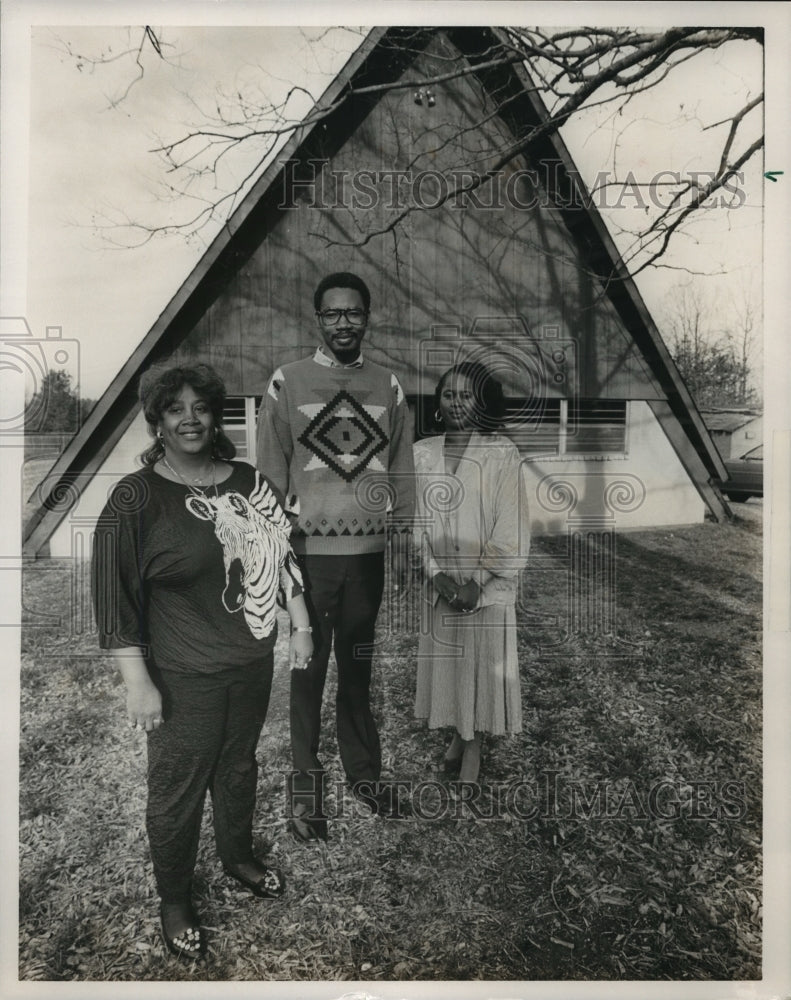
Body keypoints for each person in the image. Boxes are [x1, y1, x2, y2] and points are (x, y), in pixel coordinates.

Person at [91, 363, 313, 962]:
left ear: (216, 415)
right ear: (156, 420)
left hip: (250, 662)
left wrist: (301, 624)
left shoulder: (246, 479)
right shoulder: (134, 497)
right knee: (178, 787)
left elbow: (283, 552)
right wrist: (137, 681)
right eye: (174, 408)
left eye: (200, 407)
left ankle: (238, 856)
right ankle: (175, 899)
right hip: (183, 674)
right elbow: (114, 598)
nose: (189, 418)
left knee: (238, 767)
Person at [256, 271, 415, 840]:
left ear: (368, 317)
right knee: (306, 673)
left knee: (357, 670)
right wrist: (275, 559)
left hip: (367, 558)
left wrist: (399, 548)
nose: (343, 322)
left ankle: (366, 778)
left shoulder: (389, 385)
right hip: (307, 555)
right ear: (317, 318)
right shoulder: (286, 383)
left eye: (353, 313)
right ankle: (306, 795)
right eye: (332, 313)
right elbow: (269, 479)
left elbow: (401, 470)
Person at [412, 362, 530, 785]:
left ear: (482, 402)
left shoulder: (501, 453)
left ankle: (473, 747)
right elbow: (415, 522)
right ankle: (459, 737)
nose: (457, 401)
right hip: (442, 581)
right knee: (451, 662)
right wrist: (435, 574)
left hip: (486, 585)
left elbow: (510, 524)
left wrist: (476, 583)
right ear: (438, 403)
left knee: (480, 665)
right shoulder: (421, 453)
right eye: (449, 394)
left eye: (467, 394)